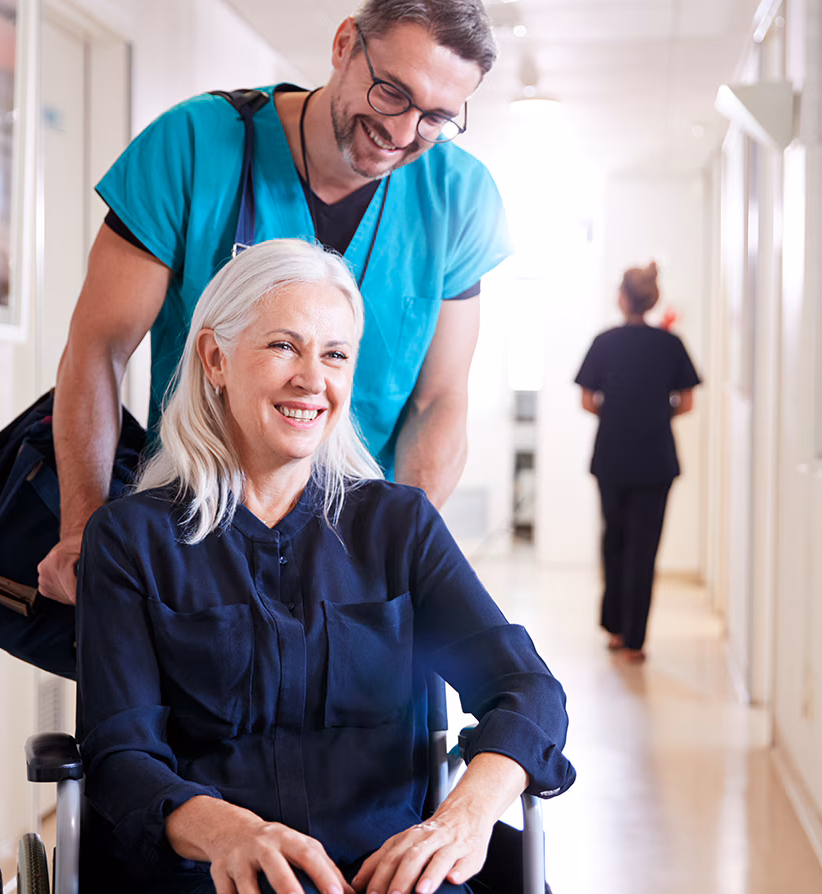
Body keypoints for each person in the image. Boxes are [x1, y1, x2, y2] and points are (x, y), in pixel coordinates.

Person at [76, 239, 574, 894]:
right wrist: (229, 832)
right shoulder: (130, 540)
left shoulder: (397, 526)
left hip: (385, 874)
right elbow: (121, 756)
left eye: (335, 354)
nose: (313, 379)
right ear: (215, 358)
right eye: (285, 345)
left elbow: (527, 689)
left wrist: (463, 818)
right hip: (210, 875)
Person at [41, 0, 511, 605]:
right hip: (195, 535)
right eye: (392, 92)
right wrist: (84, 528)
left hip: (357, 553)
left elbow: (440, 398)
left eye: (436, 118)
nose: (402, 133)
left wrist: (402, 547)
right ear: (345, 45)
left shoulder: (459, 196)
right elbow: (97, 349)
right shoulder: (193, 146)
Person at [574, 262, 701, 663]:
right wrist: (655, 413)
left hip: (613, 455)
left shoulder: (604, 342)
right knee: (644, 549)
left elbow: (586, 400)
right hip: (656, 459)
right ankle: (635, 640)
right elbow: (687, 401)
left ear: (623, 297)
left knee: (614, 540)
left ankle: (614, 628)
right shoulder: (671, 344)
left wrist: (618, 414)